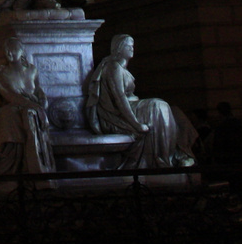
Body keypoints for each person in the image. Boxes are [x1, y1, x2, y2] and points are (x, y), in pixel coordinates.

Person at [84, 34, 198, 168]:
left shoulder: (121, 67)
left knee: (175, 112)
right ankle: (165, 158)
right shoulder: (113, 67)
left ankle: (182, 154)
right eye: (128, 45)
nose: (132, 48)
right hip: (118, 113)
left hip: (133, 105)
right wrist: (136, 124)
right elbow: (120, 99)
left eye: (132, 45)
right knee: (159, 106)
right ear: (118, 48)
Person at [0, 37, 56, 174]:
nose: (9, 53)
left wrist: (42, 102)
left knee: (9, 115)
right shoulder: (2, 74)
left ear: (21, 51)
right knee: (5, 115)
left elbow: (38, 90)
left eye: (13, 49)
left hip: (29, 108)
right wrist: (37, 107)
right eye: (7, 50)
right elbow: (12, 97)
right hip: (15, 107)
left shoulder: (32, 70)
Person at [210, 100, 242, 165]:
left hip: (227, 159)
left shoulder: (221, 127)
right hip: (241, 157)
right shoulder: (238, 124)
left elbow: (217, 144)